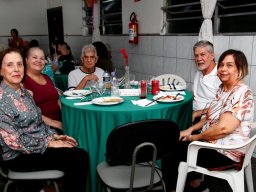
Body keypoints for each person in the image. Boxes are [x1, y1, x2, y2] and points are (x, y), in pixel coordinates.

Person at [162, 49, 254, 192]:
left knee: (170, 149)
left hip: (225, 153)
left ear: (240, 70)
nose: (223, 69)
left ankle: (176, 188)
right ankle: (195, 183)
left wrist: (194, 137)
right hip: (212, 145)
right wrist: (189, 130)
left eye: (229, 65)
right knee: (177, 140)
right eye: (221, 64)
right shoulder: (223, 88)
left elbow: (223, 129)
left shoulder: (241, 93)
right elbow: (210, 116)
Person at [0, 48, 89, 192]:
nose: (16, 69)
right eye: (10, 65)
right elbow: (15, 142)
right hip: (19, 156)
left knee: (76, 150)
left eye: (19, 64)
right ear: (1, 70)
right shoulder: (2, 99)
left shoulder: (23, 92)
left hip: (35, 146)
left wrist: (55, 135)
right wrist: (50, 143)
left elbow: (38, 122)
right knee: (78, 158)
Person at [23, 47, 62, 133]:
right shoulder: (24, 81)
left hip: (60, 121)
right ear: (26, 60)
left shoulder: (46, 77)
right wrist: (56, 123)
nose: (39, 60)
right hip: (43, 127)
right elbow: (30, 112)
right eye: (35, 57)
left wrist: (67, 116)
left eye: (42, 58)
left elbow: (57, 100)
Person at [192, 41, 221, 123]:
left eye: (202, 54)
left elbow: (223, 105)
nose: (198, 59)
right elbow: (195, 96)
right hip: (194, 111)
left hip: (208, 117)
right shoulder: (199, 72)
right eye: (196, 55)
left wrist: (198, 113)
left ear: (212, 56)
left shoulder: (220, 75)